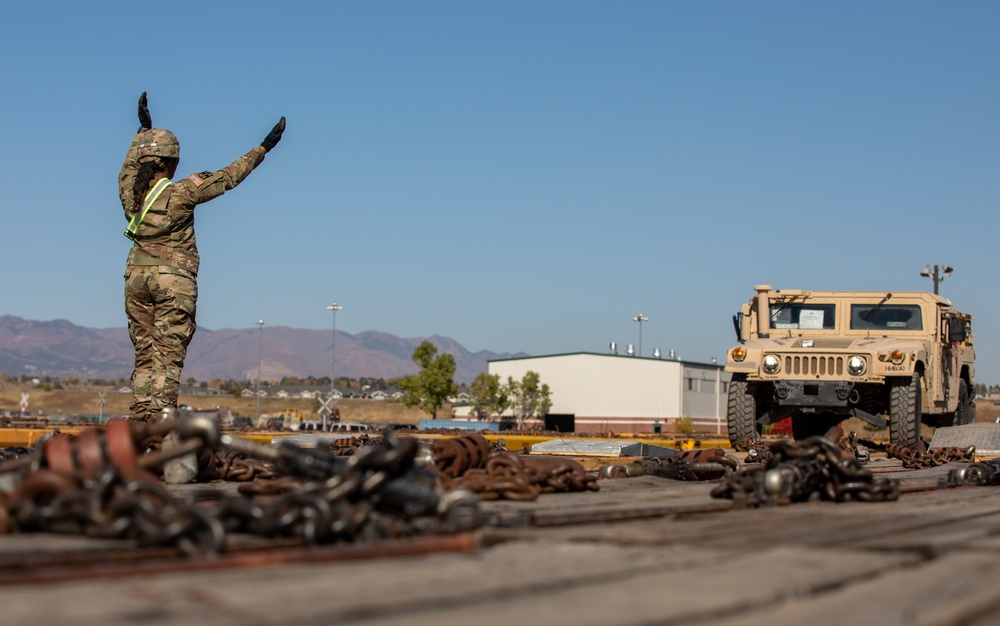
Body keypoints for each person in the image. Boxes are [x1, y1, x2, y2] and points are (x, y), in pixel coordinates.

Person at [119, 92, 285, 421]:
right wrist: (262, 149)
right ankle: (161, 421)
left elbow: (128, 167)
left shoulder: (129, 196)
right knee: (168, 353)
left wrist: (142, 134)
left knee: (145, 353)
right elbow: (227, 176)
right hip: (172, 281)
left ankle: (140, 418)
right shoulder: (182, 192)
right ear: (172, 162)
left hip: (135, 279)